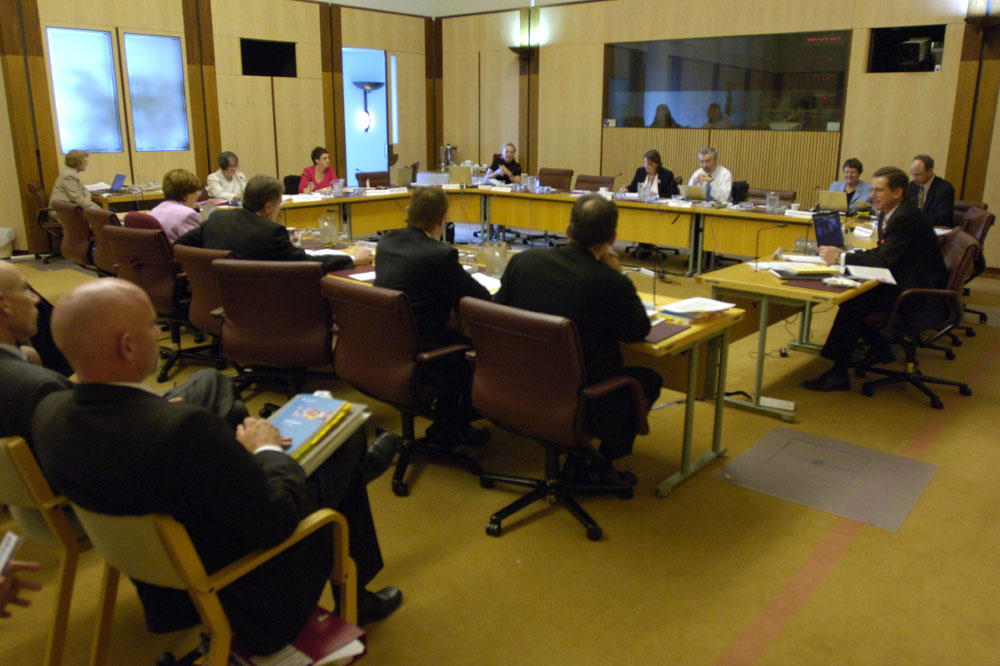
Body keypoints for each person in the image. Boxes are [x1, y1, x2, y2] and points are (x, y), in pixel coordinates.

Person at [32, 279, 402, 655]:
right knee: (343, 436)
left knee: (224, 398)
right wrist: (265, 451)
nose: (157, 331)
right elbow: (274, 522)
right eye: (149, 325)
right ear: (127, 346)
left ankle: (355, 476)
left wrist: (183, 427)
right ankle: (358, 586)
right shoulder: (183, 431)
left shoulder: (48, 415)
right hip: (239, 575)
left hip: (160, 575)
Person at [495, 195, 662, 480]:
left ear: (568, 230)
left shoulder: (523, 263)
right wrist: (617, 274)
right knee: (648, 380)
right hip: (578, 396)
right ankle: (596, 463)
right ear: (612, 238)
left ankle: (578, 452)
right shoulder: (609, 282)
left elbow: (498, 312)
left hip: (517, 384)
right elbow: (638, 331)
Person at [0, 260, 247, 441]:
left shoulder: (21, 368)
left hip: (116, 419)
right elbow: (95, 443)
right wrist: (154, 414)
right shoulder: (38, 388)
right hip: (133, 442)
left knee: (211, 380)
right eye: (24, 288)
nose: (34, 299)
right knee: (227, 407)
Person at [802, 167, 948, 392]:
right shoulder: (895, 212)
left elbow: (883, 259)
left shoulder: (905, 217)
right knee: (857, 294)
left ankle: (839, 373)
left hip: (915, 295)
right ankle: (880, 347)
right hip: (905, 280)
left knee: (852, 301)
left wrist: (841, 257)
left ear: (898, 192)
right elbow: (883, 253)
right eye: (873, 190)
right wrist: (846, 258)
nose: (872, 196)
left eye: (879, 190)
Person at [374, 187, 491, 447]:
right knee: (476, 351)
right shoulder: (440, 255)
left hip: (385, 347)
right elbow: (480, 297)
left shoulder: (386, 242)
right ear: (443, 219)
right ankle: (452, 426)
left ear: (408, 213)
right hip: (426, 354)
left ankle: (447, 421)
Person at [175, 175, 371, 272]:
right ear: (268, 206)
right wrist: (352, 260)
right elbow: (307, 264)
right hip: (260, 304)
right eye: (279, 205)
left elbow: (180, 246)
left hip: (218, 296)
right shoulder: (270, 232)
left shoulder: (217, 219)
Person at [149, 168, 203, 242]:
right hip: (179, 253)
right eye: (197, 193)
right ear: (186, 195)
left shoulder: (155, 210)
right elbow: (196, 245)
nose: (197, 197)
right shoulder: (187, 214)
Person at [908, 154, 956, 227]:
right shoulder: (911, 186)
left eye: (918, 175)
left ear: (930, 171)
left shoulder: (945, 189)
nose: (914, 178)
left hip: (934, 229)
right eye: (912, 174)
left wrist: (916, 220)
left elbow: (943, 218)